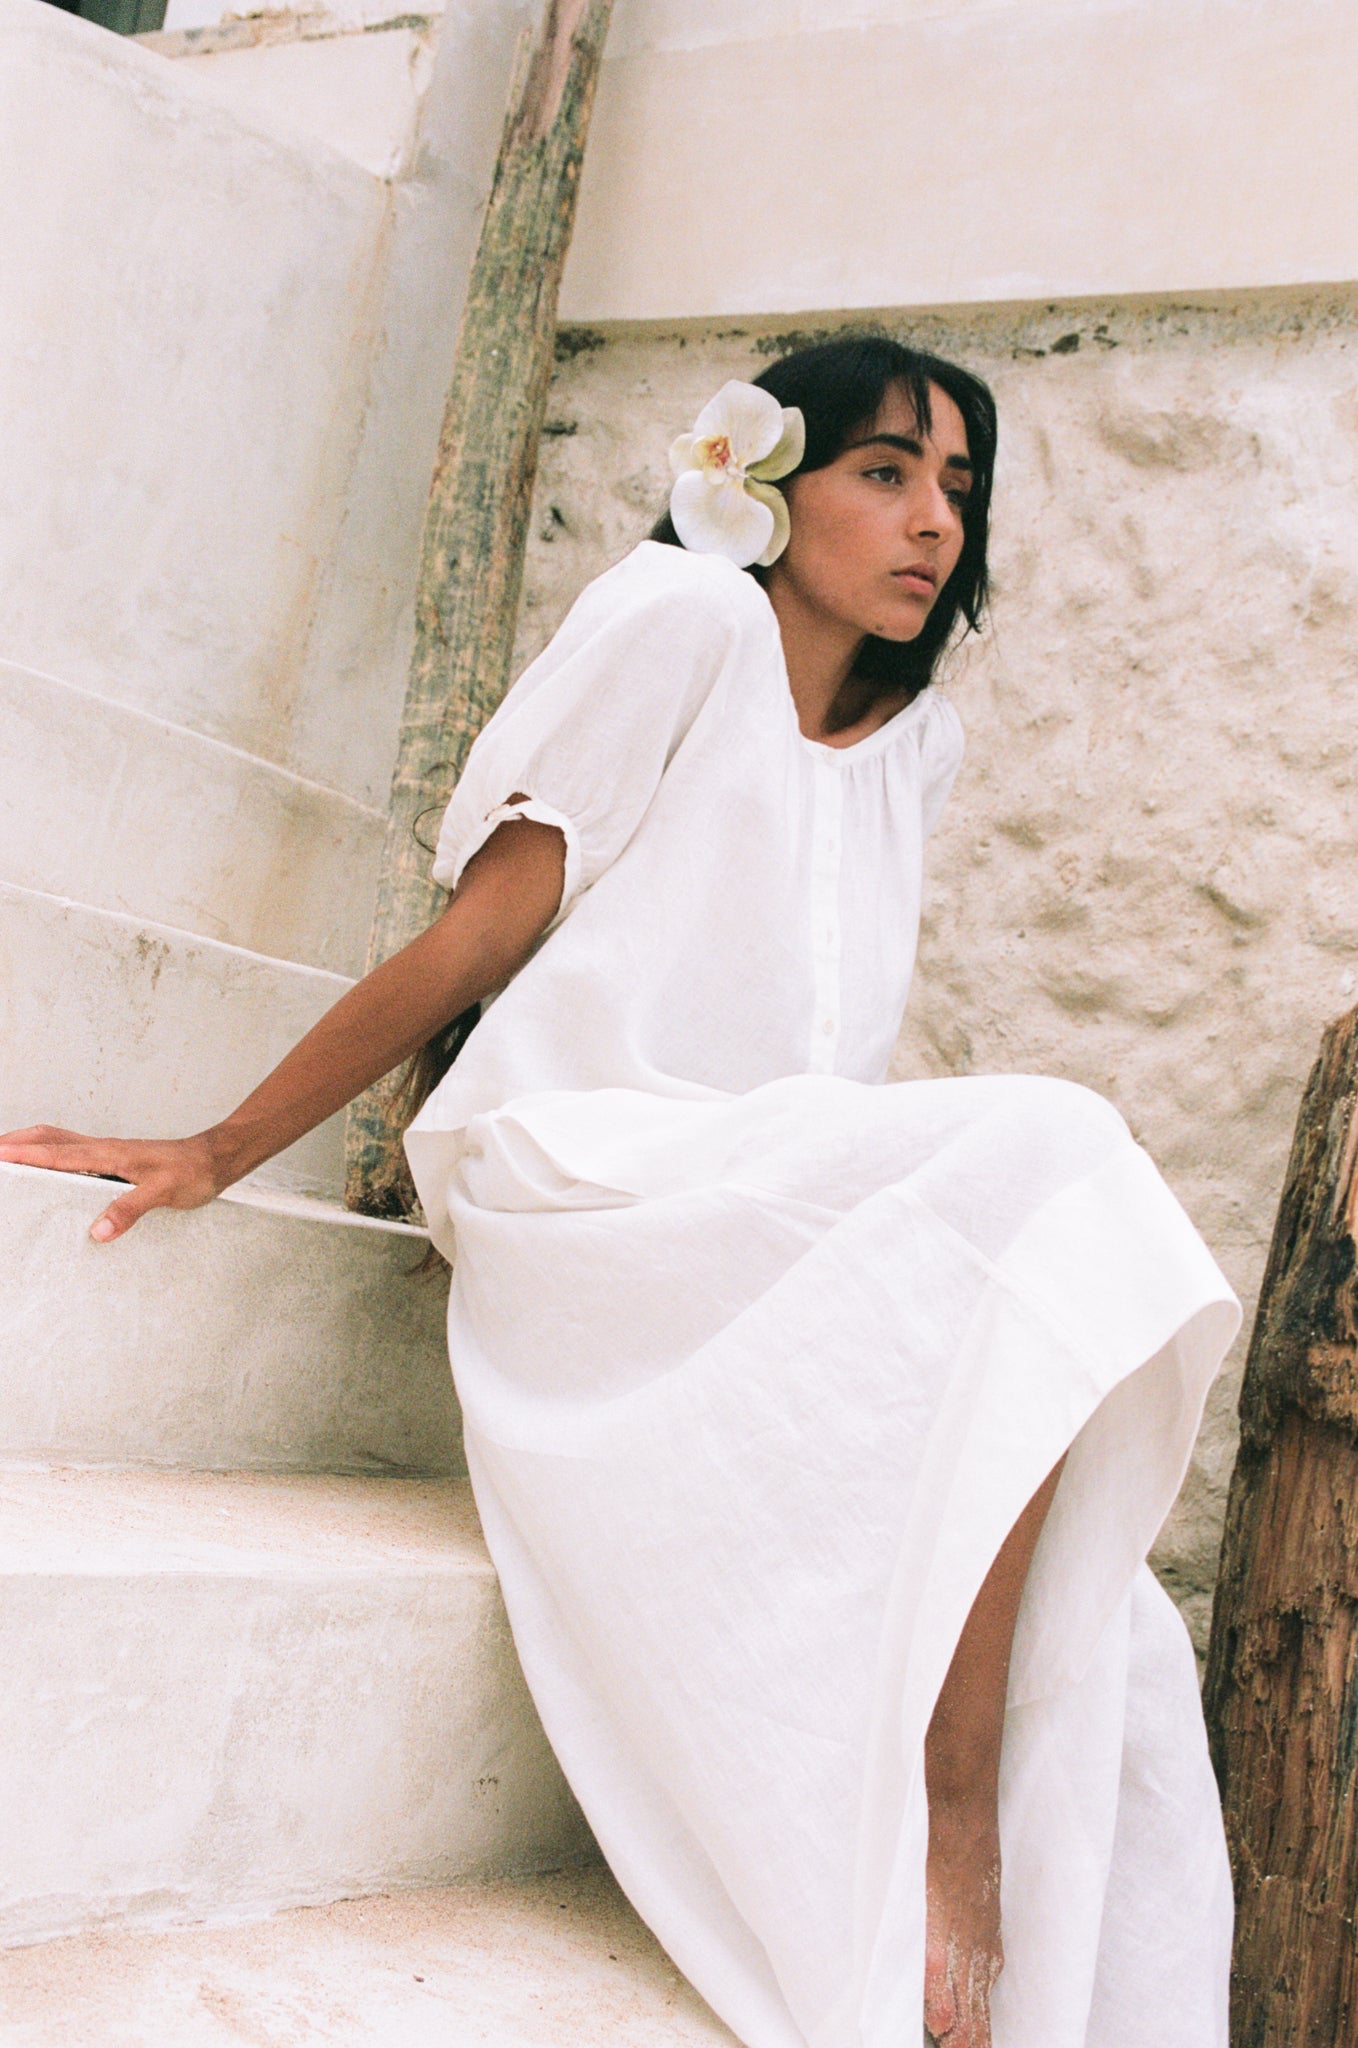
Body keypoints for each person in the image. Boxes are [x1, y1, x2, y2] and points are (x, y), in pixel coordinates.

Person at [0, 338, 1241, 2048]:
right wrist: (218, 1146)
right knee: (1053, 1152)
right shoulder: (684, 626)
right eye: (885, 471)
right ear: (764, 482)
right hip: (577, 1175)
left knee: (1114, 1634)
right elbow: (485, 935)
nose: (933, 522)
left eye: (960, 486)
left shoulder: (916, 744)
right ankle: (946, 1835)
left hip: (746, 1207)